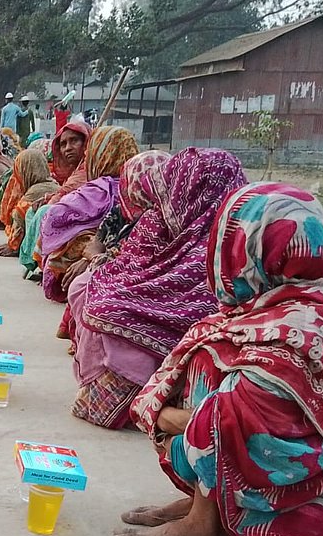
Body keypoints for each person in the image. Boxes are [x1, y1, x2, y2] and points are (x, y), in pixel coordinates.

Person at [118, 184, 323, 536]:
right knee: (214, 348)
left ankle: (206, 531)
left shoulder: (287, 338)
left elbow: (221, 426)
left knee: (213, 384)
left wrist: (159, 412)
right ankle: (203, 505)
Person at [67, 148, 247, 430]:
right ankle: (145, 403)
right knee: (96, 293)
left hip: (210, 351)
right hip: (159, 307)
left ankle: (150, 403)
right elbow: (132, 265)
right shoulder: (163, 218)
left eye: (180, 183)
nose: (171, 193)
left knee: (110, 307)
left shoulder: (234, 241)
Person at [38, 125, 140, 301]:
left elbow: (54, 216)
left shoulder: (100, 188)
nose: (70, 148)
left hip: (110, 263)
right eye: (63, 143)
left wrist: (90, 257)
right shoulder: (140, 186)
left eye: (76, 142)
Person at [48, 119, 92, 199]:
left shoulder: (88, 171)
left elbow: (59, 198)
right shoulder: (71, 173)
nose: (68, 148)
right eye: (63, 144)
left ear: (86, 142)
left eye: (74, 140)